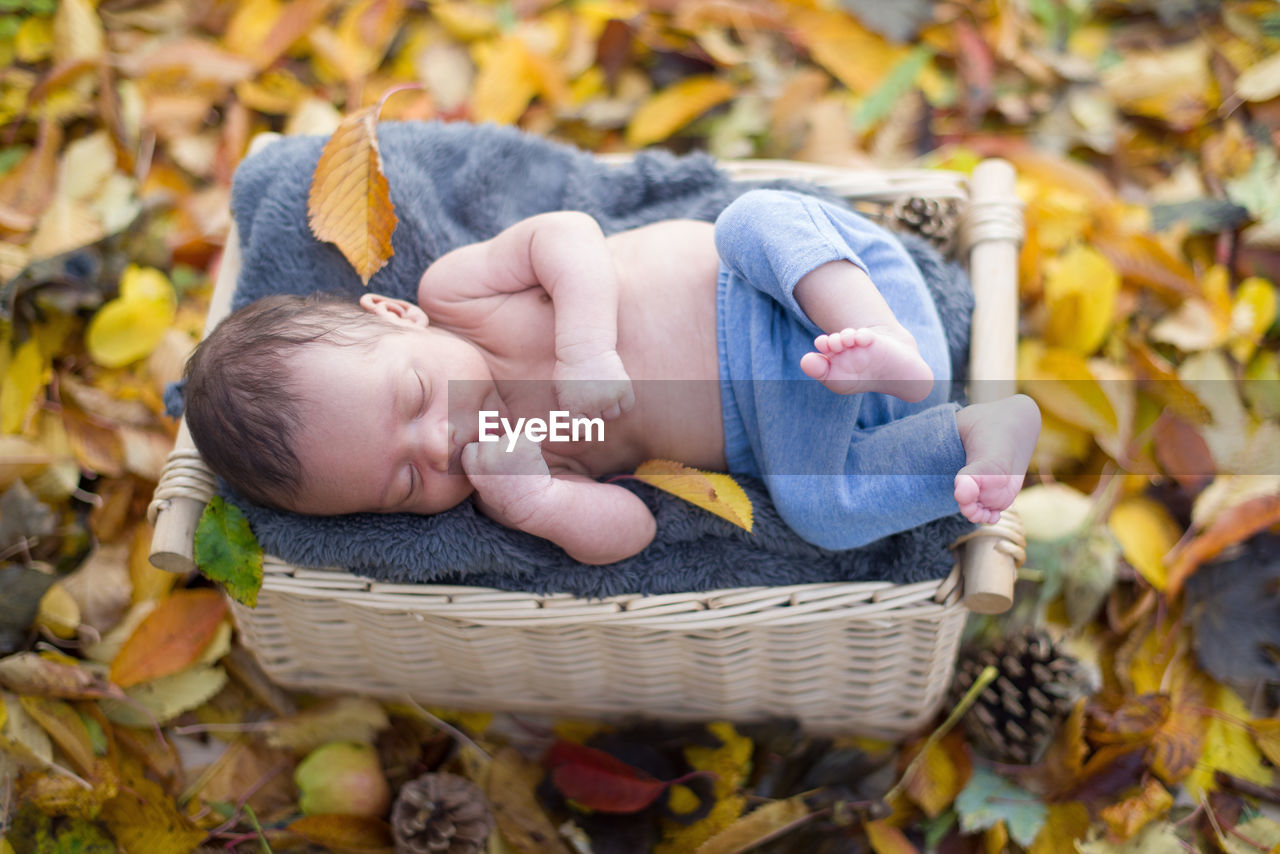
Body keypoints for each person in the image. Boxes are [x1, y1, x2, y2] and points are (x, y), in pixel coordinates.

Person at [183, 189, 1040, 565]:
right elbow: (629, 529)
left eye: (411, 398)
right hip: (805, 414)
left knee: (754, 218)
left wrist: (584, 350)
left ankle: (882, 339)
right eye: (408, 482)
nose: (439, 441)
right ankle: (969, 439)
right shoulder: (521, 464)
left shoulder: (459, 295)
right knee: (822, 509)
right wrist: (541, 505)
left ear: (397, 316)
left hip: (789, 291)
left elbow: (568, 237)